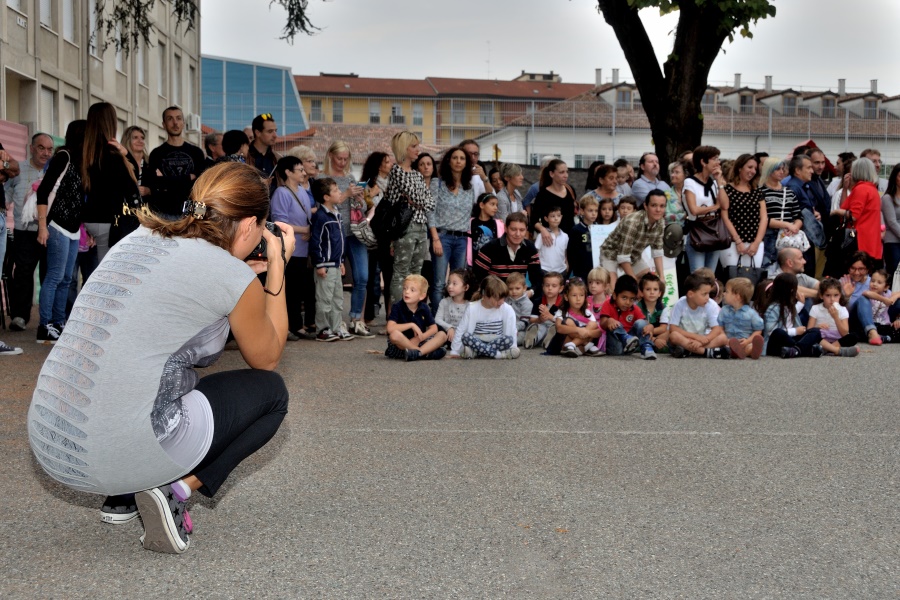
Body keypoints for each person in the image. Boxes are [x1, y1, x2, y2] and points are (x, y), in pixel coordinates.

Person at [28, 162, 294, 554]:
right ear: (252, 223)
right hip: (114, 449)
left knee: (141, 366)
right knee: (271, 393)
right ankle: (175, 488)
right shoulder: (231, 277)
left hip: (53, 441)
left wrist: (237, 273)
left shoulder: (140, 237)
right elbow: (267, 356)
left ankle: (123, 494)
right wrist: (277, 267)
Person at [34, 120, 86, 344]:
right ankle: (44, 326)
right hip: (56, 225)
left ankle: (58, 321)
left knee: (67, 279)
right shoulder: (63, 156)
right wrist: (43, 226)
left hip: (74, 228)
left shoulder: (83, 161)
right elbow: (44, 191)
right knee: (54, 276)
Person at [320, 140, 369, 336]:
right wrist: (346, 194)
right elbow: (325, 207)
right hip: (334, 236)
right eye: (339, 158)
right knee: (334, 281)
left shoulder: (351, 178)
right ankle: (336, 321)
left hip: (355, 233)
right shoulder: (323, 179)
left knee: (362, 277)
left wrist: (359, 199)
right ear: (330, 156)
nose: (342, 162)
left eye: (346, 158)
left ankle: (357, 318)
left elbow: (363, 209)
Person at [82, 102, 142, 260]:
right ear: (111, 122)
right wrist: (125, 154)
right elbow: (131, 185)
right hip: (110, 222)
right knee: (110, 272)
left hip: (90, 220)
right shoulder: (112, 155)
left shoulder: (87, 153)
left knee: (95, 269)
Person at [5, 133, 53, 331]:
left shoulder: (55, 171)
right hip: (24, 232)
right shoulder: (18, 170)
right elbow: (6, 197)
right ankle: (20, 316)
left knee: (50, 275)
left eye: (50, 149)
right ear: (31, 148)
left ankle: (49, 318)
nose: (46, 153)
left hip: (51, 231)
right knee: (23, 273)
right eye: (41, 148)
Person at [384, 132, 434, 307]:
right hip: (405, 227)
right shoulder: (397, 171)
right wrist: (419, 200)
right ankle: (398, 314)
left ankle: (411, 310)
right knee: (401, 272)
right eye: (413, 146)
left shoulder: (417, 174)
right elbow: (419, 198)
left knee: (416, 273)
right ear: (403, 149)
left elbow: (429, 202)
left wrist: (418, 200)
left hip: (421, 226)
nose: (417, 150)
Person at [270, 155, 316, 340]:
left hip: (304, 248)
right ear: (288, 172)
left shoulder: (302, 191)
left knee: (303, 288)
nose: (304, 173)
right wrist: (303, 229)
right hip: (291, 249)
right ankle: (293, 325)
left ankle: (300, 323)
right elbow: (278, 221)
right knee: (292, 290)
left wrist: (310, 229)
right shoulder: (281, 193)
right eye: (300, 170)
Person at [429, 147, 475, 308]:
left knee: (459, 282)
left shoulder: (469, 187)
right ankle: (436, 322)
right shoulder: (437, 184)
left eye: (462, 158)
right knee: (439, 282)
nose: (458, 161)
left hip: (462, 238)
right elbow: (430, 212)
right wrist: (435, 238)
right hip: (442, 236)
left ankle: (455, 318)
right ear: (449, 161)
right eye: (455, 158)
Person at [311, 177, 353, 342]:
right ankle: (322, 329)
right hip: (325, 266)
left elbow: (339, 240)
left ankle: (336, 327)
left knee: (337, 299)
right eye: (335, 190)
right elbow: (316, 242)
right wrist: (320, 264)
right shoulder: (321, 216)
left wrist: (341, 261)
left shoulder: (337, 214)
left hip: (335, 264)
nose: (339, 192)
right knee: (324, 298)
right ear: (326, 197)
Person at [146, 106, 206, 218]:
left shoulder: (196, 152)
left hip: (193, 210)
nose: (175, 123)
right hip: (165, 212)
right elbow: (157, 184)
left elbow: (202, 184)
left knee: (196, 235)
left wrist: (167, 181)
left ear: (183, 122)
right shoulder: (157, 153)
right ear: (164, 124)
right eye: (170, 119)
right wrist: (188, 177)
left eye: (178, 118)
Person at [599, 189, 667, 288]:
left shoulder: (660, 222)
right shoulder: (632, 222)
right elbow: (623, 257)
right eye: (654, 205)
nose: (658, 210)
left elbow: (657, 251)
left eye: (662, 206)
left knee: (649, 284)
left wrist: (661, 277)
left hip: (633, 257)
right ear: (645, 206)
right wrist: (634, 283)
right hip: (610, 254)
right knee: (613, 288)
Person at [449, 275, 519, 359]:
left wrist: (513, 347)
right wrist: (454, 351)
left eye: (503, 298)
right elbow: (461, 329)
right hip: (477, 342)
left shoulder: (507, 309)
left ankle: (476, 353)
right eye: (497, 298)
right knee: (466, 336)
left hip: (496, 342)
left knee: (509, 339)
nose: (501, 302)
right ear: (485, 295)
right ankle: (497, 354)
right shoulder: (473, 308)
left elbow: (511, 330)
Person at [683, 146, 729, 272]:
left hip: (714, 229)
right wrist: (715, 207)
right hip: (697, 230)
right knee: (698, 274)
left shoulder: (714, 182)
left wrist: (719, 182)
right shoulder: (690, 182)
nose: (718, 162)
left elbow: (725, 205)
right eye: (714, 159)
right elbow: (694, 210)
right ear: (703, 162)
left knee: (710, 275)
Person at [363, 151, 395, 327]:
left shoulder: (394, 183)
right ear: (378, 165)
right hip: (370, 232)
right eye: (386, 161)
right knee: (369, 275)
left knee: (389, 275)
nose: (390, 164)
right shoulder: (366, 182)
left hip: (387, 233)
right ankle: (367, 314)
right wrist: (371, 195)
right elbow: (361, 204)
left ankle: (390, 313)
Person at [384, 274, 447, 361]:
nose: (407, 292)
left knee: (442, 335)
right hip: (401, 346)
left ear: (422, 296)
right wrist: (411, 325)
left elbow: (434, 328)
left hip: (420, 342)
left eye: (412, 290)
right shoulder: (397, 307)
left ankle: (417, 353)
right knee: (394, 335)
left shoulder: (424, 307)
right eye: (405, 288)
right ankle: (423, 353)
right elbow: (390, 328)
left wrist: (419, 338)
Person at [472, 211, 540, 291]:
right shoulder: (490, 248)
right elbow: (478, 278)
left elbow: (537, 278)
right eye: (513, 229)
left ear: (526, 230)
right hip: (495, 297)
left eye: (522, 230)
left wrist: (531, 292)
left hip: (519, 297)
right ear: (505, 228)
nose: (518, 234)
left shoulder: (530, 248)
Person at [667, 273, 730, 359]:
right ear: (690, 294)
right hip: (686, 339)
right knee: (674, 335)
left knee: (723, 338)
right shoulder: (680, 304)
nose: (707, 297)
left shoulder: (711, 305)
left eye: (708, 293)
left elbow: (716, 329)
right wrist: (696, 337)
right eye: (704, 294)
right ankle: (706, 352)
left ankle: (689, 351)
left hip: (702, 341)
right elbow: (673, 328)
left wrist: (702, 341)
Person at [720, 154, 766, 270]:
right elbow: (725, 217)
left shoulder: (757, 191)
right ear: (740, 168)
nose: (753, 171)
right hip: (732, 242)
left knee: (751, 280)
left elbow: (764, 218)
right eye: (749, 167)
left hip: (755, 242)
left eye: (755, 168)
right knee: (732, 278)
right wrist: (738, 241)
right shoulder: (727, 190)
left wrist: (756, 242)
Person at [761, 273, 823, 358]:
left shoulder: (789, 305)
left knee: (816, 331)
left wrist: (801, 303)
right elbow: (770, 331)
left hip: (791, 340)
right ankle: (807, 350)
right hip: (776, 343)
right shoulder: (773, 308)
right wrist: (795, 331)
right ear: (790, 290)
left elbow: (790, 314)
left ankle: (796, 350)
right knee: (778, 333)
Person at [783, 153, 824, 274]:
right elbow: (791, 213)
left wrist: (813, 214)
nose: (812, 171)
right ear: (797, 170)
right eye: (808, 168)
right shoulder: (794, 188)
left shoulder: (803, 186)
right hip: (798, 239)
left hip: (804, 238)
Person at [598, 274, 655, 358]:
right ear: (614, 295)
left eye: (632, 299)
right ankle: (625, 338)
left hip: (631, 343)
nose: (628, 302)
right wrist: (608, 321)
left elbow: (644, 323)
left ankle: (646, 347)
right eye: (624, 298)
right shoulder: (608, 304)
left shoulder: (634, 308)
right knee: (615, 323)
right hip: (616, 346)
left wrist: (650, 326)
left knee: (641, 323)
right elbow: (602, 324)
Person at [759, 157, 801, 268]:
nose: (781, 172)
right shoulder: (760, 191)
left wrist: (795, 227)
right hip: (768, 235)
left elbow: (798, 215)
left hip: (787, 235)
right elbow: (762, 218)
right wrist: (787, 225)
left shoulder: (789, 192)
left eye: (783, 169)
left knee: (788, 267)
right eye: (777, 169)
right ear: (769, 170)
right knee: (768, 266)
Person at [841, 158, 884, 267]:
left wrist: (836, 212)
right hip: (871, 241)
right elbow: (846, 208)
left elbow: (853, 216)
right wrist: (845, 189)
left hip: (859, 240)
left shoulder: (861, 189)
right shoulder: (872, 190)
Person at [807, 277, 859, 357]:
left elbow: (845, 333)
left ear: (840, 295)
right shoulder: (815, 308)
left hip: (837, 339)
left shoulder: (842, 310)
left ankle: (825, 350)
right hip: (822, 339)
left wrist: (836, 317)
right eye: (828, 295)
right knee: (811, 336)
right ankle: (835, 350)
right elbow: (809, 330)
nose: (832, 299)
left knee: (853, 336)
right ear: (821, 296)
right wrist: (817, 327)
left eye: (836, 295)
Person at [840, 251, 884, 345]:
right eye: (853, 268)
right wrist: (847, 296)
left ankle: (871, 331)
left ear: (867, 269)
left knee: (864, 298)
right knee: (862, 299)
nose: (856, 273)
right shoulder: (843, 282)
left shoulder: (873, 283)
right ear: (848, 268)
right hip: (850, 322)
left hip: (875, 319)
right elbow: (837, 311)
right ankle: (872, 332)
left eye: (861, 269)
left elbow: (889, 298)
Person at [555, 277, 603, 357]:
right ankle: (585, 345)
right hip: (565, 343)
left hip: (576, 344)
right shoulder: (562, 312)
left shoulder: (588, 313)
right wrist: (578, 330)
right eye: (574, 295)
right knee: (568, 322)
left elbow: (599, 332)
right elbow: (559, 328)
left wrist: (587, 332)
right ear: (566, 297)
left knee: (593, 324)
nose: (578, 299)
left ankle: (573, 344)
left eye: (581, 295)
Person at [718, 276, 764, 359]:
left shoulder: (751, 313)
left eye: (727, 292)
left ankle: (750, 351)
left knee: (750, 346)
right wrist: (724, 339)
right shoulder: (724, 310)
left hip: (745, 341)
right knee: (723, 347)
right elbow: (720, 328)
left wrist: (748, 341)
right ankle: (739, 352)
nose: (724, 294)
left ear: (737, 296)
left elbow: (758, 329)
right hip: (728, 341)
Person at [530, 159, 576, 237]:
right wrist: (543, 230)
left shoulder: (570, 189)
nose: (566, 175)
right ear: (551, 174)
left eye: (567, 172)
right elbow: (534, 219)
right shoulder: (543, 195)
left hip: (570, 237)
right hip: (551, 239)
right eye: (562, 172)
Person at [522, 271, 564, 349]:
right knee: (539, 328)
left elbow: (564, 322)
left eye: (554, 286)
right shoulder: (538, 301)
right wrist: (539, 319)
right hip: (542, 325)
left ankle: (549, 340)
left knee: (556, 329)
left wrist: (550, 316)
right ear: (543, 287)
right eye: (547, 285)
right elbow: (532, 320)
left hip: (555, 326)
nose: (550, 288)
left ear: (560, 288)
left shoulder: (563, 303)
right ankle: (531, 339)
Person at [434, 268, 472, 344]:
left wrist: (458, 332)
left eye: (454, 284)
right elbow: (437, 319)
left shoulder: (470, 305)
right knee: (439, 335)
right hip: (447, 335)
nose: (450, 286)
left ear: (466, 287)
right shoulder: (444, 302)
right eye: (449, 283)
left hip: (461, 337)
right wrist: (449, 327)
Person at [247, 113, 280, 194]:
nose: (275, 135)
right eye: (270, 131)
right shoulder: (244, 157)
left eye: (276, 131)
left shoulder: (278, 158)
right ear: (257, 133)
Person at [468, 192, 504, 266]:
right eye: (492, 204)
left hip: (492, 264)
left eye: (496, 205)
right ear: (482, 205)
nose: (496, 208)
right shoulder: (471, 222)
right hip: (474, 263)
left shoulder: (498, 224)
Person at [534, 206, 568, 283]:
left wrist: (567, 264)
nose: (556, 218)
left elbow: (565, 252)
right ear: (546, 218)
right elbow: (536, 251)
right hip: (545, 269)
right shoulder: (541, 235)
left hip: (561, 270)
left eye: (558, 216)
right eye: (553, 216)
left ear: (561, 217)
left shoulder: (565, 236)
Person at [568, 195, 598, 282]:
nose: (593, 213)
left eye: (596, 211)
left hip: (596, 269)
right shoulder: (576, 230)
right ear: (582, 211)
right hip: (581, 270)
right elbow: (571, 252)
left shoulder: (600, 229)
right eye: (590, 210)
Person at [865, 268, 900, 342]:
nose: (874, 284)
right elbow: (866, 293)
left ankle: (884, 338)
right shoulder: (869, 292)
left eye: (879, 282)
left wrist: (893, 298)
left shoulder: (887, 294)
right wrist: (884, 300)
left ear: (886, 287)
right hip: (872, 325)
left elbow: (899, 293)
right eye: (872, 281)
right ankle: (884, 338)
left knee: (897, 330)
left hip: (885, 325)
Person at [637, 272, 668, 352]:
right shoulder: (637, 307)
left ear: (659, 293)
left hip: (658, 335)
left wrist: (651, 331)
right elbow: (639, 329)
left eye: (655, 289)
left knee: (671, 332)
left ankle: (652, 344)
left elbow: (663, 328)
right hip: (642, 334)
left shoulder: (663, 307)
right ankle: (653, 344)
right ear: (641, 292)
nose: (652, 292)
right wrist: (654, 339)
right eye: (648, 289)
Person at [121, 126, 152, 201]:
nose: (140, 141)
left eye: (142, 138)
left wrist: (149, 190)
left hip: (148, 209)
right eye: (135, 137)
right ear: (127, 140)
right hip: (125, 207)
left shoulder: (151, 162)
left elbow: (161, 186)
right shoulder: (121, 162)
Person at [880, 164, 900, 275]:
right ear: (894, 178)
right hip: (893, 242)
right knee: (895, 273)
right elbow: (892, 222)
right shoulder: (888, 198)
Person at [504, 272, 533, 346]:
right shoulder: (505, 300)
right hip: (505, 327)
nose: (514, 291)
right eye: (510, 289)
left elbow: (525, 322)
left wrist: (514, 328)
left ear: (524, 288)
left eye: (517, 288)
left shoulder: (527, 303)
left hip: (520, 330)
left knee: (517, 338)